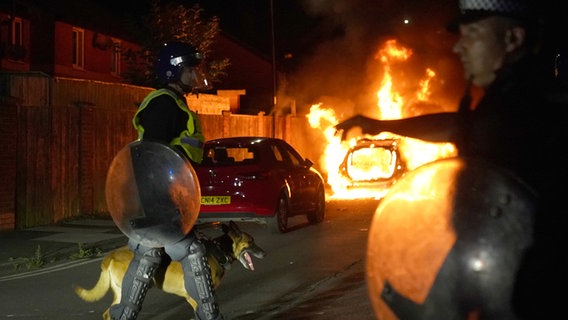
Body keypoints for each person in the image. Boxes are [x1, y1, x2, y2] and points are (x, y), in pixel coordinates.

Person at [336, 0, 567, 318]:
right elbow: (458, 126)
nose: (459, 47)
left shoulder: (524, 112)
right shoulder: (508, 102)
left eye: (472, 33)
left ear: (513, 39)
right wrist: (381, 125)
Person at [109, 41, 224, 320]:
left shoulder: (172, 102)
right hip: (158, 199)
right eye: (189, 70)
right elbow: (152, 156)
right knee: (190, 251)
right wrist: (159, 202)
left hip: (163, 198)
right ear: (174, 72)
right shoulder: (163, 103)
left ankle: (122, 316)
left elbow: (175, 153)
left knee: (148, 254)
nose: (194, 75)